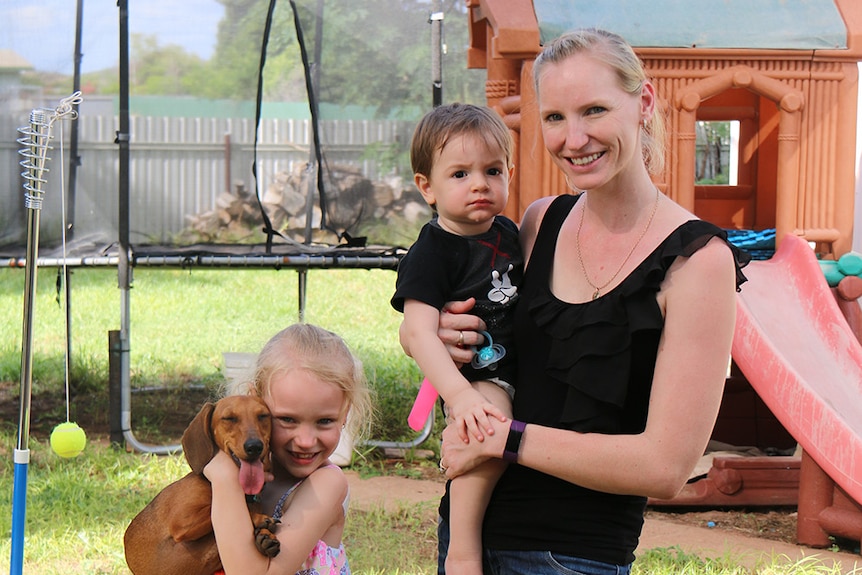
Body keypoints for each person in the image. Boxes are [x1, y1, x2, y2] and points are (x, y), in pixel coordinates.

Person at [404, 29, 751, 574]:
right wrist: (448, 335)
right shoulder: (540, 223)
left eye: (594, 110)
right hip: (467, 540)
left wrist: (505, 439)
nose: (574, 138)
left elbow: (666, 466)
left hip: (573, 557)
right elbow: (487, 332)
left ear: (643, 102)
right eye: (555, 117)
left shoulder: (698, 263)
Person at [391, 102, 522, 575]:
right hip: (478, 373)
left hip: (513, 365)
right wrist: (461, 396)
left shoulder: (509, 232)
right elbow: (420, 334)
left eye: (491, 170)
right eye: (460, 173)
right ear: (427, 187)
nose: (480, 184)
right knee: (486, 434)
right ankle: (464, 550)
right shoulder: (431, 252)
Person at [204, 323, 373, 575]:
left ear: (344, 413)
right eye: (287, 419)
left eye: (324, 421)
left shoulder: (326, 484)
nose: (305, 440)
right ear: (256, 403)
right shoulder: (249, 469)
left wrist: (224, 479)